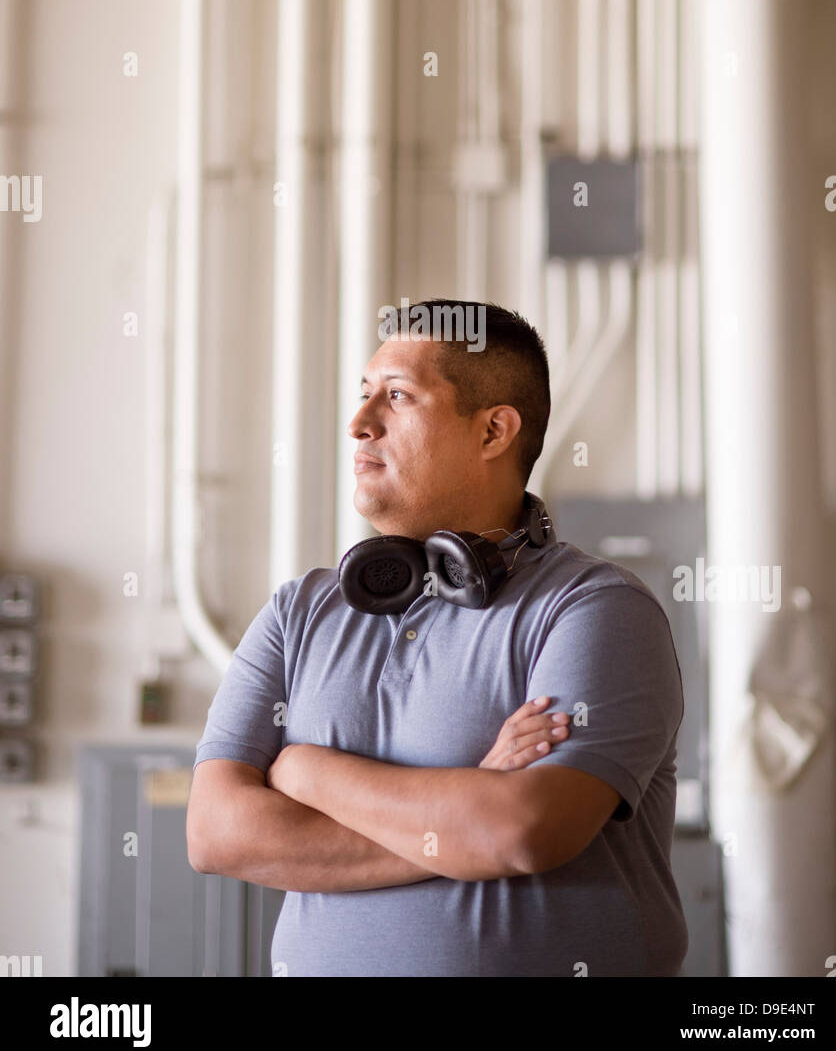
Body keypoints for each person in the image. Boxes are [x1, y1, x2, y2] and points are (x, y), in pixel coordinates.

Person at [186, 300, 689, 977]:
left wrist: (305, 772)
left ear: (492, 432)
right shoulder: (298, 611)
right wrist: (461, 818)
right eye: (364, 396)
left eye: (397, 397)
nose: (359, 423)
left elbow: (522, 831)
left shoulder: (596, 609)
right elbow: (216, 835)